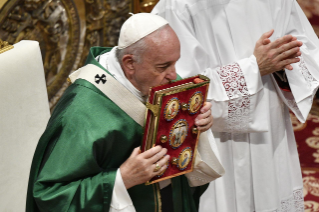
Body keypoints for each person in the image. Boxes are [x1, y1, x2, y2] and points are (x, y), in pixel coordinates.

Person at [26, 13, 224, 212]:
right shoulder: (80, 113)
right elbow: (50, 195)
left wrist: (196, 124)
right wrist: (122, 178)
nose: (174, 75)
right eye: (163, 66)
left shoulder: (161, 79)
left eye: (174, 63)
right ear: (129, 64)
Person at [152, 0, 319, 211]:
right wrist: (253, 69)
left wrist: (283, 58)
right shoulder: (175, 7)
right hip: (213, 139)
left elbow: (304, 44)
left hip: (268, 122)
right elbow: (176, 88)